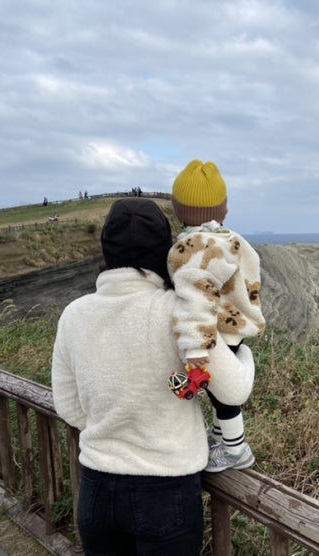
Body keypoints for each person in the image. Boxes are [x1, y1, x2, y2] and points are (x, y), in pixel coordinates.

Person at [51, 198, 255, 554]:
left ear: (106, 250)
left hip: (97, 486)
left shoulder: (74, 314)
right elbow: (234, 390)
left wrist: (118, 427)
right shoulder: (179, 310)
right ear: (166, 250)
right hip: (166, 489)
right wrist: (244, 353)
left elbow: (68, 408)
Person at [168, 159, 265, 472]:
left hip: (216, 332)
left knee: (223, 397)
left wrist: (196, 346)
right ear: (223, 209)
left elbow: (196, 298)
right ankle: (221, 437)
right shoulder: (232, 240)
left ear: (178, 210)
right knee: (216, 389)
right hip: (236, 325)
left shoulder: (194, 248)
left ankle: (236, 450)